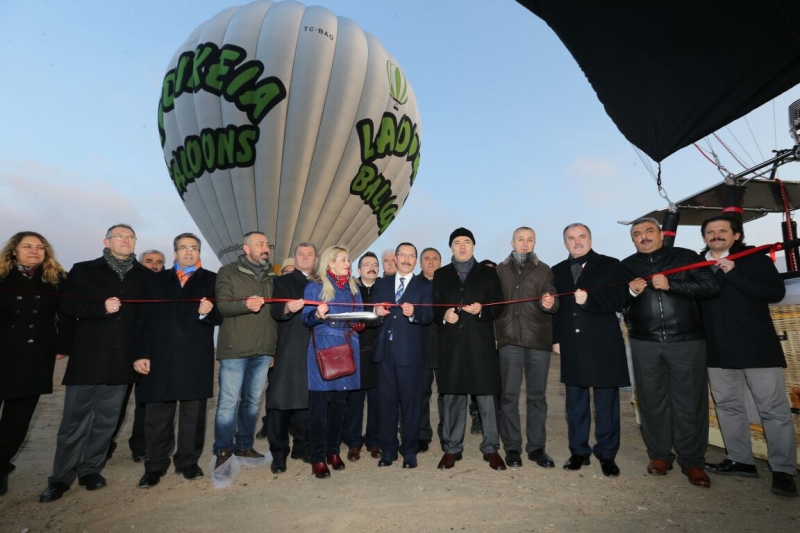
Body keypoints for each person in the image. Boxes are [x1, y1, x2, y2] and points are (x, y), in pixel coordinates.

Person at [40, 224, 151, 503]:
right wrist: (100, 307)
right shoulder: (84, 270)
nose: (125, 240)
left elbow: (148, 321)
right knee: (73, 422)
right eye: (120, 236)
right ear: (107, 241)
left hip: (122, 360)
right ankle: (60, 477)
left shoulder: (145, 276)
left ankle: (90, 469)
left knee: (106, 422)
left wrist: (142, 353)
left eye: (130, 237)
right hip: (88, 358)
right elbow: (66, 306)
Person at [699, 216, 797, 497]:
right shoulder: (698, 265)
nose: (716, 235)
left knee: (773, 410)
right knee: (728, 406)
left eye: (722, 231)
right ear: (704, 237)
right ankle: (740, 460)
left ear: (736, 235)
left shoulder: (753, 259)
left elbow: (775, 292)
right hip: (717, 350)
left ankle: (784, 470)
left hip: (757, 349)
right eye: (710, 231)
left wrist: (734, 273)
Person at [622, 217, 719, 488]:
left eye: (649, 231)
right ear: (632, 240)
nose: (644, 237)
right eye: (637, 234)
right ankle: (660, 456)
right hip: (644, 342)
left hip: (686, 340)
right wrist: (630, 291)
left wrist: (672, 284)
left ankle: (692, 461)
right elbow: (615, 299)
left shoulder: (685, 257)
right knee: (651, 402)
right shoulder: (626, 266)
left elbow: (711, 287)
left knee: (690, 403)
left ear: (661, 234)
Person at [132, 233, 222, 488]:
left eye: (193, 248)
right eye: (183, 248)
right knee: (157, 415)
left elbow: (221, 317)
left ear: (199, 253)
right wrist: (140, 353)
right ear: (174, 254)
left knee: (193, 415)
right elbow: (143, 320)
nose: (189, 252)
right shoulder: (156, 281)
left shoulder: (212, 280)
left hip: (195, 357)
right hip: (160, 356)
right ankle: (155, 465)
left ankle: (187, 462)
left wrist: (209, 312)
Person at [552, 223, 629, 477]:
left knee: (606, 404)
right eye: (571, 238)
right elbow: (555, 310)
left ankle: (607, 454)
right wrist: (555, 339)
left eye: (581, 236)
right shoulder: (557, 271)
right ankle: (579, 452)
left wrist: (590, 301)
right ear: (565, 243)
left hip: (604, 345)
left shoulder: (611, 265)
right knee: (576, 405)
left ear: (591, 239)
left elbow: (620, 299)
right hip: (572, 346)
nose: (577, 242)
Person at [0, 232, 68, 496]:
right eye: (27, 246)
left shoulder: (56, 279)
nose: (34, 251)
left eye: (40, 247)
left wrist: (62, 345)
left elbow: (65, 314)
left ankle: (1, 467)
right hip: (2, 354)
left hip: (34, 357)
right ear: (13, 250)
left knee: (17, 421)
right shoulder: (3, 276)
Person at [433, 228, 506, 470]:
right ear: (451, 247)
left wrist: (482, 310)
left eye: (466, 242)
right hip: (451, 345)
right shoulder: (441, 274)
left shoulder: (488, 274)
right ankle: (452, 449)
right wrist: (444, 314)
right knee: (453, 396)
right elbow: (434, 305)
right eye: (457, 242)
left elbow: (499, 305)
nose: (462, 246)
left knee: (486, 396)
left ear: (473, 246)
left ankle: (491, 448)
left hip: (480, 344)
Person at [212, 231, 277, 470]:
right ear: (245, 248)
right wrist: (244, 304)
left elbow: (274, 316)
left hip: (262, 350)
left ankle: (244, 445)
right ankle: (223, 449)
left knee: (251, 402)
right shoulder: (228, 272)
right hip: (235, 349)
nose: (265, 248)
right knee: (229, 401)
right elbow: (223, 306)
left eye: (267, 244)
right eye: (260, 244)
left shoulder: (271, 276)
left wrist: (273, 349)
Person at [494, 226, 558, 469]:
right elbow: (493, 304)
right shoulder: (500, 270)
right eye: (520, 239)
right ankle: (512, 447)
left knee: (537, 397)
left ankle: (537, 448)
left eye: (529, 239)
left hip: (538, 341)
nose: (525, 243)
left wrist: (550, 303)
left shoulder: (544, 270)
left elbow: (553, 299)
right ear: (512, 242)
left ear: (535, 242)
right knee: (509, 397)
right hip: (509, 340)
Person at [301, 245, 363, 479]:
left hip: (348, 345)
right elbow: (305, 319)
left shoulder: (353, 286)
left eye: (348, 260)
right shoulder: (315, 286)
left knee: (339, 405)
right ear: (330, 263)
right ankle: (318, 457)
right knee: (319, 407)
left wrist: (360, 323)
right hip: (324, 347)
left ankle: (333, 451)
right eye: (344, 260)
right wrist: (317, 314)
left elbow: (357, 315)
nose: (348, 263)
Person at [372, 243, 433, 469]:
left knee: (411, 405)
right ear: (395, 258)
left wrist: (415, 313)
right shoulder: (382, 283)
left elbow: (428, 314)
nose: (407, 259)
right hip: (385, 354)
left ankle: (409, 451)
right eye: (403, 255)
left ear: (416, 260)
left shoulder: (424, 285)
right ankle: (388, 450)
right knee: (386, 403)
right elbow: (372, 312)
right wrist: (376, 312)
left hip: (410, 354)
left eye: (411, 256)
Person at [262, 243, 317, 474]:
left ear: (316, 259)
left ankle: (302, 448)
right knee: (280, 403)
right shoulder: (282, 282)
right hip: (288, 348)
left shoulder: (321, 283)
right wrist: (286, 307)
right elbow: (274, 312)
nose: (305, 258)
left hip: (314, 349)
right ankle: (279, 453)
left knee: (307, 402)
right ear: (295, 258)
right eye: (301, 254)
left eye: (309, 254)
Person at [108, 250, 165, 463]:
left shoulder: (164, 287)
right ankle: (105, 444)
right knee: (117, 403)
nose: (155, 265)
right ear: (140, 264)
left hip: (149, 353)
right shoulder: (130, 283)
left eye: (159, 262)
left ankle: (140, 446)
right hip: (123, 350)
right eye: (149, 261)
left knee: (144, 405)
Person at [344, 252, 382, 461]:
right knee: (355, 401)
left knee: (377, 400)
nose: (371, 267)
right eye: (366, 264)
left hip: (379, 352)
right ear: (358, 270)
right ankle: (353, 442)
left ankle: (374, 441)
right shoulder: (350, 290)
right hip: (355, 351)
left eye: (375, 264)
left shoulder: (385, 288)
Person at [419, 247, 442, 453]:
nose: (431, 262)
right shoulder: (415, 284)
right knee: (421, 394)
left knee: (446, 395)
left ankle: (447, 435)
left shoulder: (448, 283)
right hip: (421, 348)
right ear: (420, 263)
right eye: (427, 258)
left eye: (435, 258)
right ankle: (422, 434)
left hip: (446, 348)